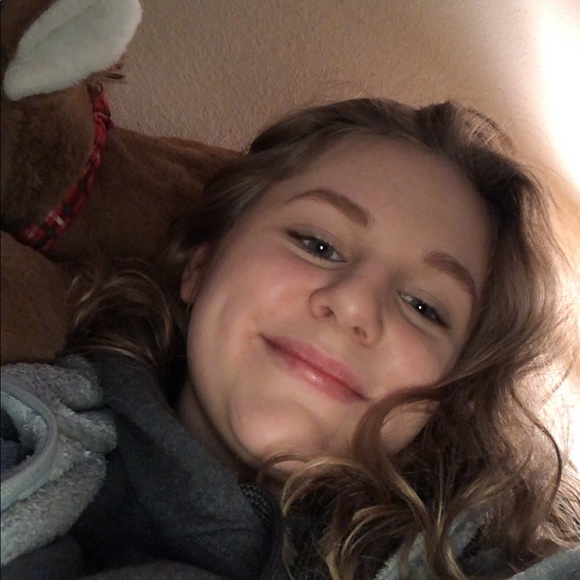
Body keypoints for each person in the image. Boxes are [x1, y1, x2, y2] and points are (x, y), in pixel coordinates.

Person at [1, 98, 579, 579]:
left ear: (453, 394)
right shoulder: (21, 433)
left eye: (424, 307)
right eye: (317, 245)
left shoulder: (481, 557)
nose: (354, 304)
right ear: (200, 263)